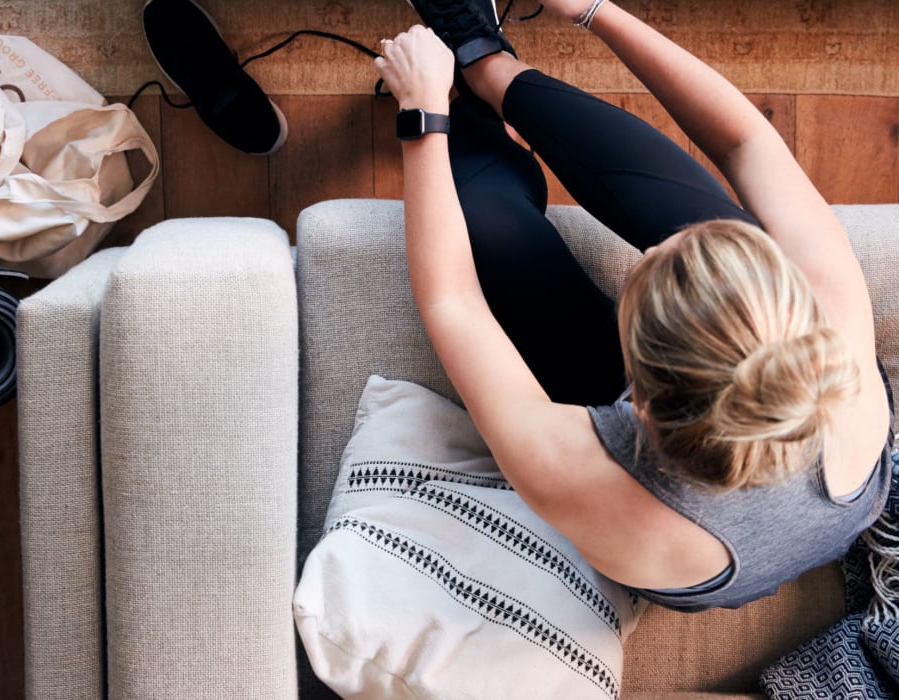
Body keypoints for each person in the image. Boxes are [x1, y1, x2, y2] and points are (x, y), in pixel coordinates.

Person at [373, 0, 894, 611]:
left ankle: (464, 105)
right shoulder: (834, 325)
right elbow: (745, 140)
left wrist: (423, 116)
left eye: (647, 268)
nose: (651, 242)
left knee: (487, 225)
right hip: (741, 417)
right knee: (661, 192)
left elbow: (453, 301)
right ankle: (485, 63)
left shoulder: (585, 476)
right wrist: (595, 9)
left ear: (635, 398)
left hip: (681, 516)